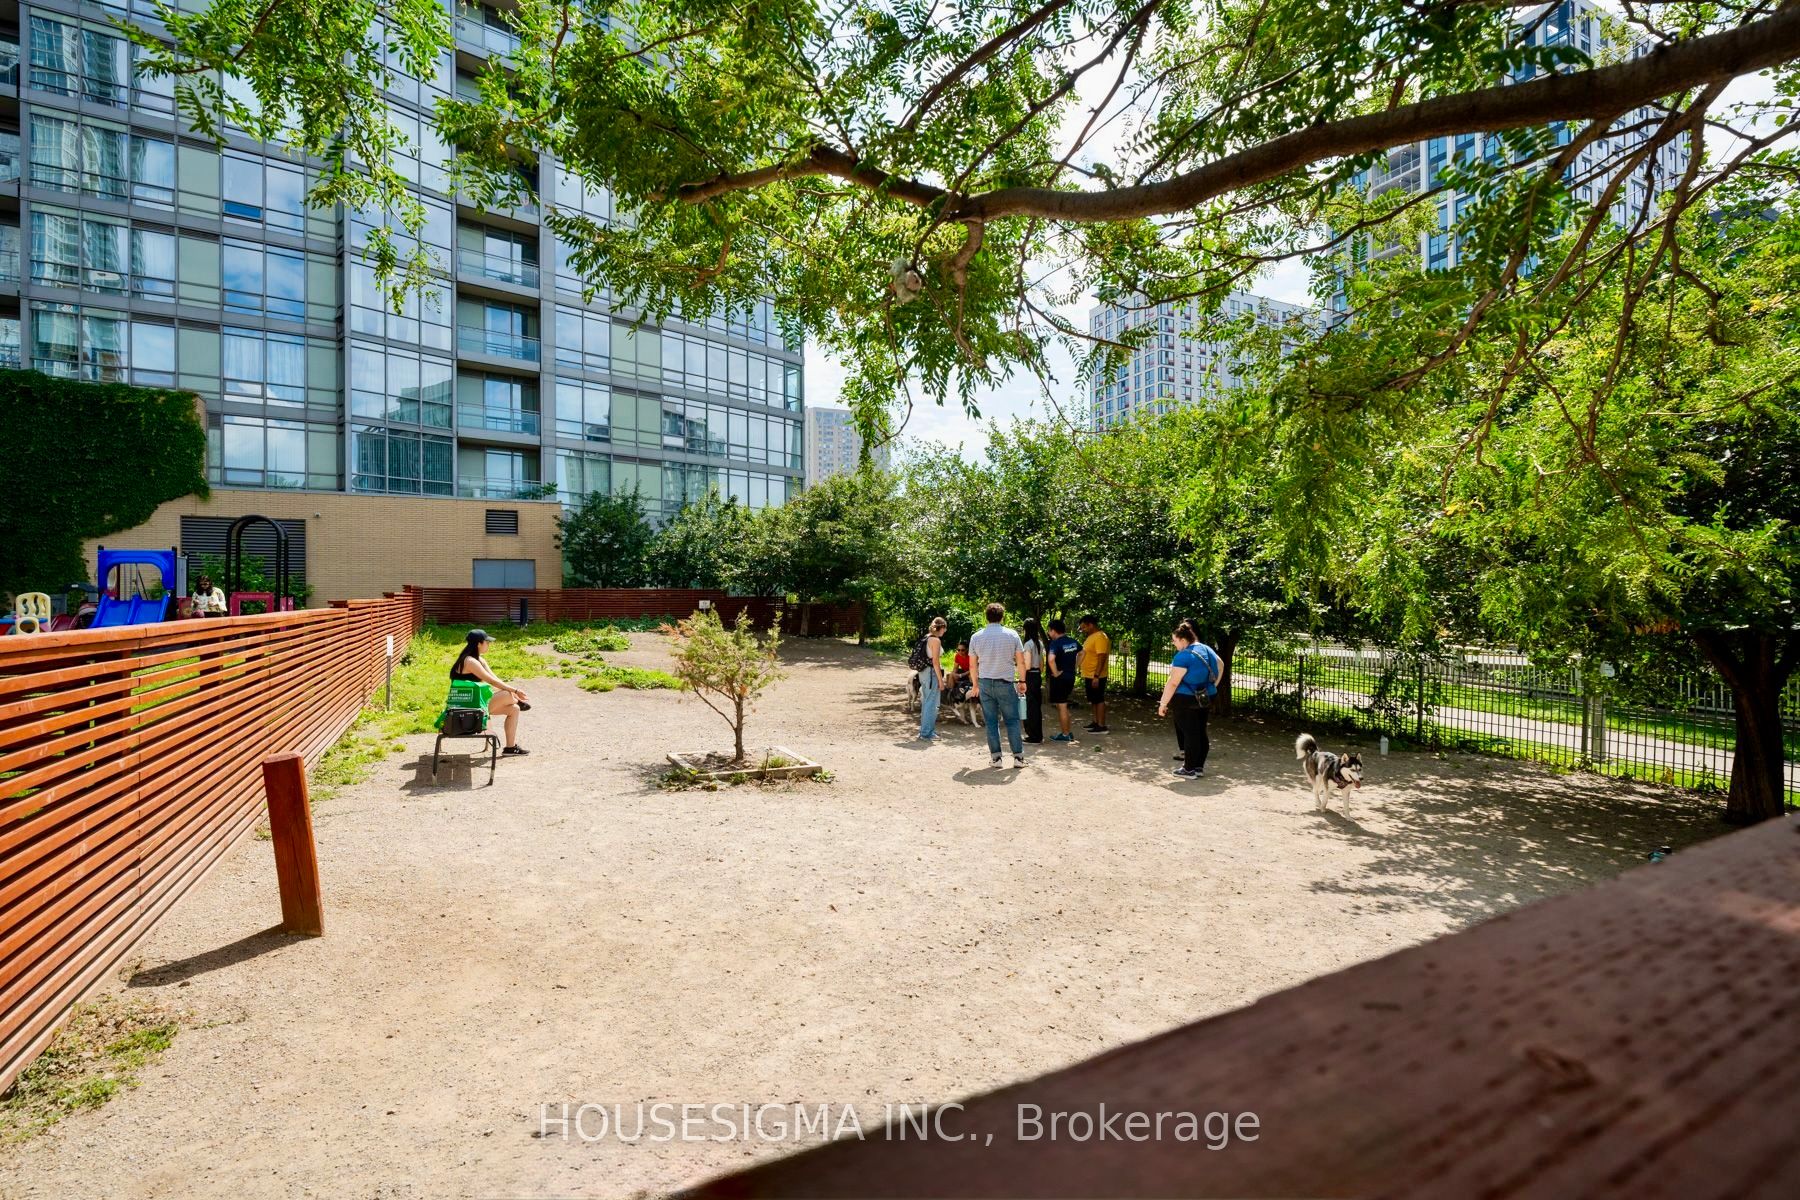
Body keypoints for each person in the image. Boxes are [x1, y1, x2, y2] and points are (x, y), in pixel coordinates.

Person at [1157, 621, 1223, 779]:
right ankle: (1198, 767)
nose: (1173, 644)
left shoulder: (1183, 656)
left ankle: (1188, 769)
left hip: (1185, 699)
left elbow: (1173, 683)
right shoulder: (1206, 649)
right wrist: (1212, 686)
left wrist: (1163, 703)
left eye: (1174, 640)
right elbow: (1220, 664)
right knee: (1200, 731)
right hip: (1206, 696)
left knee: (1190, 733)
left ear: (1183, 639)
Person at [451, 629, 532, 756]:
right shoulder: (470, 661)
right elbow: (491, 681)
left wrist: (512, 691)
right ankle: (516, 700)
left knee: (514, 709)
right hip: (466, 708)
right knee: (507, 694)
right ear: (479, 644)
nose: (489, 644)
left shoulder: (479, 660)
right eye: (487, 642)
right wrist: (514, 691)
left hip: (476, 703)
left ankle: (510, 748)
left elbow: (496, 680)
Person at [967, 602, 1028, 768]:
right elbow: (1021, 662)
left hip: (985, 683)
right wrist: (1022, 681)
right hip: (1005, 683)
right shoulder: (1012, 635)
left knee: (991, 722)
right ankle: (1018, 758)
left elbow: (972, 665)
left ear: (986, 617)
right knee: (1012, 721)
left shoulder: (976, 637)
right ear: (1002, 617)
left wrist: (975, 685)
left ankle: (996, 758)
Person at [1044, 619, 1080, 741]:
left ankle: (1065, 734)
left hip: (1060, 678)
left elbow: (1050, 659)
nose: (1049, 633)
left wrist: (1056, 673)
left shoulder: (1055, 643)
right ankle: (1067, 732)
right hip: (1070, 676)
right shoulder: (1073, 641)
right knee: (1063, 704)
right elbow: (1083, 652)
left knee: (1062, 705)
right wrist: (1076, 666)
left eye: (1049, 630)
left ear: (1053, 631)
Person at [1077, 615, 1112, 734]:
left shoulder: (1100, 637)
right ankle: (1095, 722)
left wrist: (1096, 676)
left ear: (1091, 625)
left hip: (1096, 675)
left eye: (1084, 627)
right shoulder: (1091, 637)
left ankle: (1101, 725)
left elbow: (1102, 657)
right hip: (1089, 674)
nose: (1083, 630)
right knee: (1093, 699)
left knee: (1099, 699)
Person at [916, 616, 948, 741]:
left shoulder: (926, 637)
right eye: (945, 628)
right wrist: (941, 680)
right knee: (931, 704)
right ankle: (926, 733)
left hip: (923, 673)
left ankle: (926, 731)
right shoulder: (935, 640)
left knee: (927, 702)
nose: (945, 631)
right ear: (941, 627)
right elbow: (935, 662)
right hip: (931, 673)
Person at [1019, 617, 1046, 743]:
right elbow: (1042, 665)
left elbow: (1027, 665)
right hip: (1037, 675)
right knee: (1036, 706)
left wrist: (1022, 678)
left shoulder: (1028, 644)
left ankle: (1033, 735)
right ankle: (1038, 734)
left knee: (1030, 707)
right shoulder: (1039, 643)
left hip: (1029, 676)